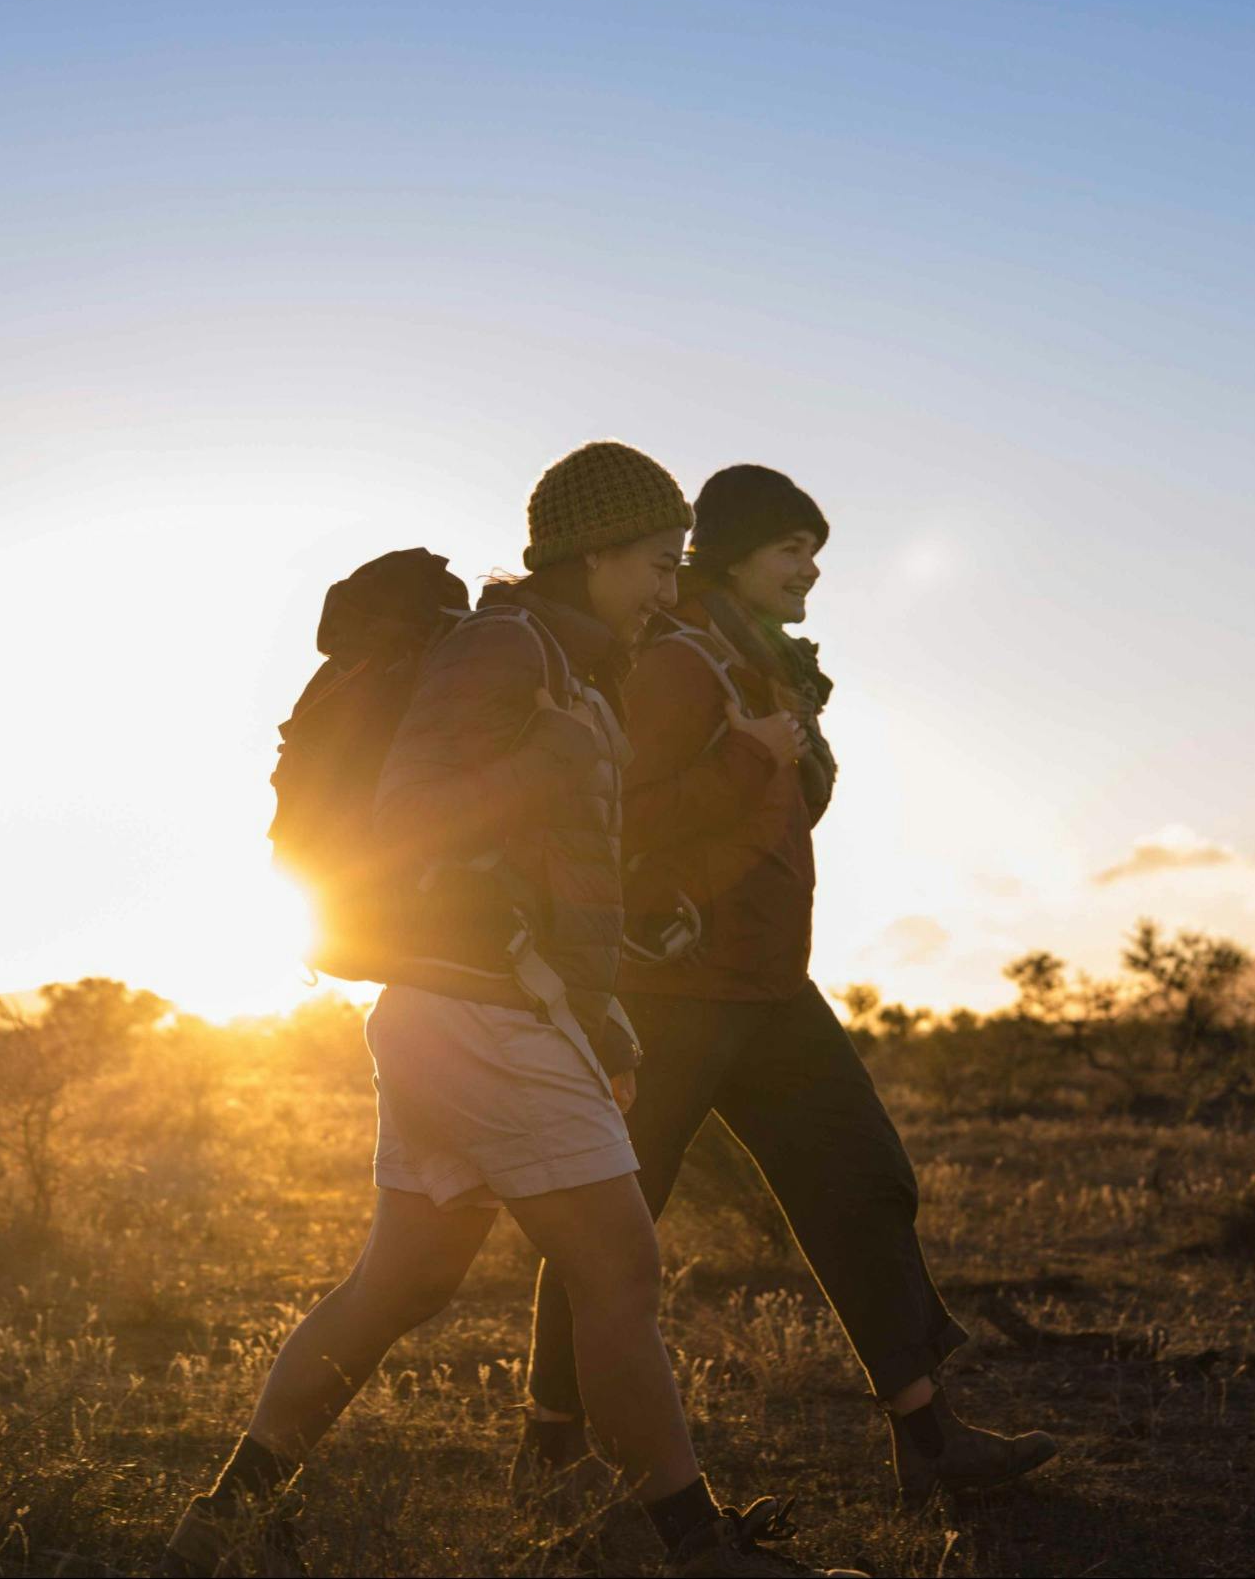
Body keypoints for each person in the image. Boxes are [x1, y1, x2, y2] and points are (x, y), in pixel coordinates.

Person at [156, 444, 860, 1578]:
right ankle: (698, 1553)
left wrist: (605, 1021)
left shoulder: (570, 668)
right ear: (588, 555)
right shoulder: (503, 652)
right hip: (483, 1014)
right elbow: (415, 818)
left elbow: (575, 871)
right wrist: (538, 784)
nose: (669, 591)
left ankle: (222, 1523)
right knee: (619, 1281)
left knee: (405, 1281)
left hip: (465, 1015)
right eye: (653, 563)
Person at [516, 463, 1057, 1513]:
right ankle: (551, 1444)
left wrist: (788, 740)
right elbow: (620, 816)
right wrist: (752, 757)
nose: (809, 569)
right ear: (733, 556)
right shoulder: (677, 664)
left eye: (815, 550)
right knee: (612, 1217)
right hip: (668, 990)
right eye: (790, 549)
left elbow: (773, 813)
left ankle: (928, 1437)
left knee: (860, 1182)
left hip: (765, 990)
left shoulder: (756, 665)